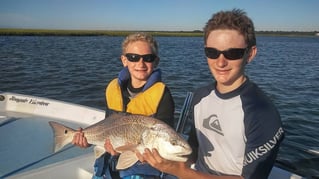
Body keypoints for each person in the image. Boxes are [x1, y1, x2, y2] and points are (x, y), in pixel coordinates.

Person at [139, 9, 284, 179]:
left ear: (250, 54)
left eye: (233, 53)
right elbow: (193, 147)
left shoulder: (262, 113)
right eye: (212, 52)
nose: (221, 62)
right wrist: (159, 158)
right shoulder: (201, 97)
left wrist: (180, 172)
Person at [72, 32, 175, 179]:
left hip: (140, 167)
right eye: (133, 57)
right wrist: (87, 140)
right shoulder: (113, 89)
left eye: (148, 58)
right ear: (124, 60)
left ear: (156, 61)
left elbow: (163, 139)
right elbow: (108, 125)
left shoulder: (162, 95)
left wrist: (132, 152)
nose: (140, 64)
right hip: (108, 162)